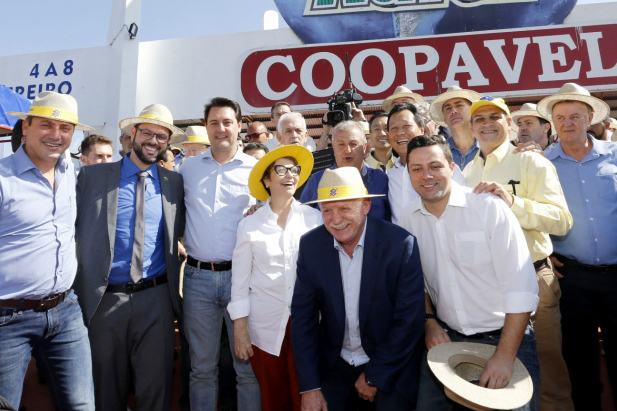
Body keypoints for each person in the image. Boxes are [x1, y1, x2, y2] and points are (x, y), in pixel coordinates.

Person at [0, 91, 96, 410]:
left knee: (82, 406)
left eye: (65, 128)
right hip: (4, 319)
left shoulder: (69, 171)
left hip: (66, 311)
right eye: (46, 125)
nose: (56, 135)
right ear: (25, 127)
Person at [538, 83, 617, 411]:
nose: (568, 123)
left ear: (590, 117)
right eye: (560, 117)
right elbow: (531, 212)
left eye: (575, 116)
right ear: (551, 122)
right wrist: (545, 252)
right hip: (571, 279)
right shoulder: (542, 163)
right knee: (578, 362)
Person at [402, 135, 540, 411]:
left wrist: (504, 357)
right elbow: (417, 283)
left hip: (505, 341)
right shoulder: (408, 219)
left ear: (452, 168)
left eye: (435, 166)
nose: (426, 175)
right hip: (445, 344)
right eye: (416, 169)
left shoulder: (488, 208)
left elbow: (521, 288)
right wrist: (430, 322)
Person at [462, 96, 575, 411]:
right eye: (480, 119)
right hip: (487, 290)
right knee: (503, 377)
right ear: (471, 128)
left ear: (508, 123)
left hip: (533, 279)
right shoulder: (466, 172)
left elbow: (562, 220)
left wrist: (512, 203)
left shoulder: (531, 161)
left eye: (494, 117)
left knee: (548, 372)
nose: (487, 124)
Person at [74, 104, 186, 411]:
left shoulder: (173, 183)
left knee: (157, 388)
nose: (153, 141)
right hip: (105, 301)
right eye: (147, 132)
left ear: (167, 143)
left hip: (157, 299)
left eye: (161, 136)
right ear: (131, 134)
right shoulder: (91, 177)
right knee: (106, 391)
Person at [292, 167, 424, 410]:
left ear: (365, 206)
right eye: (327, 210)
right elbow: (303, 319)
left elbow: (409, 322)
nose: (335, 219)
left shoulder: (399, 245)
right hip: (336, 363)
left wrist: (376, 375)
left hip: (390, 362)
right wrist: (310, 387)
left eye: (344, 208)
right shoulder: (311, 245)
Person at [179, 97, 261, 411]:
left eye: (227, 122)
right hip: (198, 279)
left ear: (239, 126)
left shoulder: (256, 170)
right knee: (201, 369)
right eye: (214, 123)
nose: (221, 128)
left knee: (246, 368)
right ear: (206, 127)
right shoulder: (189, 169)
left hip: (243, 279)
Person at [229, 145, 319, 411]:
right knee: (273, 400)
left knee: (307, 396)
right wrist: (240, 329)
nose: (289, 175)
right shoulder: (249, 224)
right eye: (280, 169)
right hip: (265, 327)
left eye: (294, 169)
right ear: (266, 180)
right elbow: (240, 282)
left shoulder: (315, 219)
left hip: (309, 324)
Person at [386, 102, 463, 223]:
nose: (400, 133)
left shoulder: (444, 169)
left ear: (422, 130)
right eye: (394, 128)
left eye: (407, 126)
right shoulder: (390, 176)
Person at [301, 120, 390, 222]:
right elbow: (303, 221)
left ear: (364, 148)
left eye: (353, 144)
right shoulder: (317, 180)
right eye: (341, 144)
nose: (347, 150)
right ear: (333, 148)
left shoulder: (380, 179)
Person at [429, 86, 481, 168]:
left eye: (459, 105)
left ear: (472, 111)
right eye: (448, 108)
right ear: (444, 119)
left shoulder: (488, 146)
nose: (453, 111)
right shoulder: (438, 151)